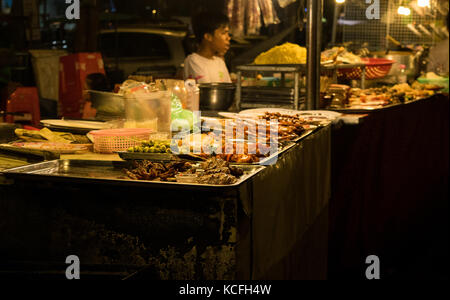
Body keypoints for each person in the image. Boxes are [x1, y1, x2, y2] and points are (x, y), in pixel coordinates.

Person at [184, 11, 232, 83]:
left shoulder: (219, 62)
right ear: (208, 37)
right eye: (223, 33)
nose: (228, 38)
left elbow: (228, 87)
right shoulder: (194, 61)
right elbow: (206, 90)